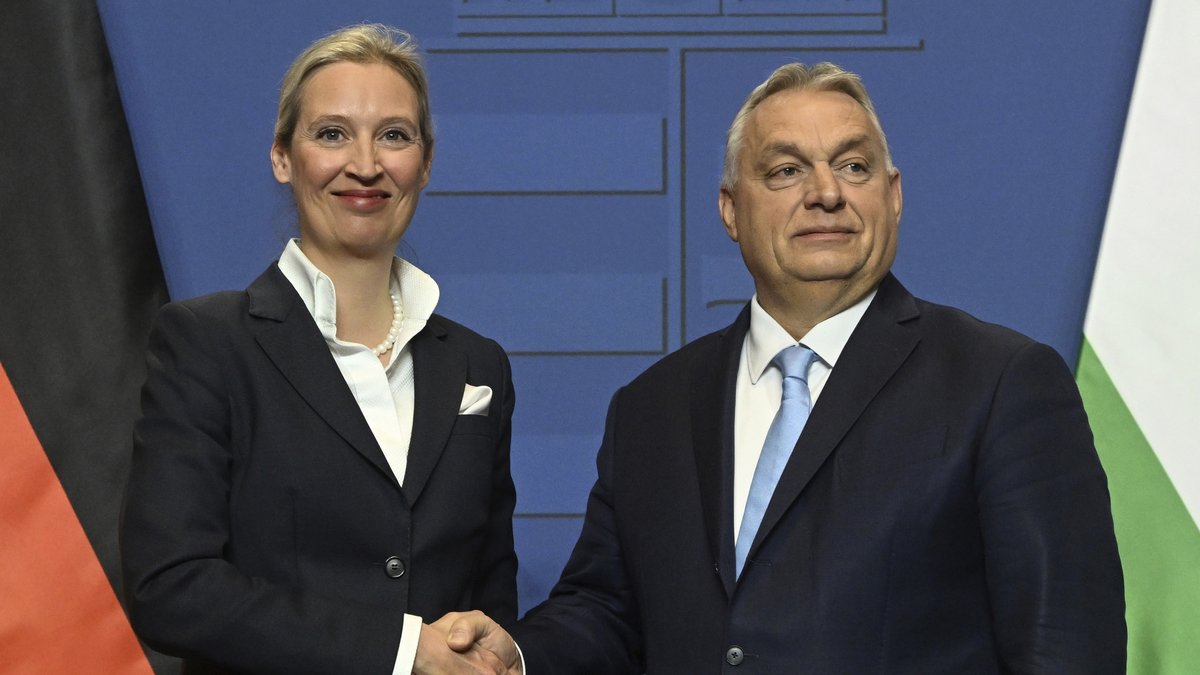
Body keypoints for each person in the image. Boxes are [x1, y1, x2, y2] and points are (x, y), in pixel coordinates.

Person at [443, 62, 1126, 673]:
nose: (826, 192)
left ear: (892, 195)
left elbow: (1064, 647)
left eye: (853, 166)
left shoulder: (1001, 382)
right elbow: (607, 613)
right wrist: (518, 656)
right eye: (786, 170)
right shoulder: (652, 407)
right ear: (731, 210)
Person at [120, 24, 517, 674]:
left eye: (394, 135)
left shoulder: (479, 365)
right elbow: (171, 587)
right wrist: (400, 650)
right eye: (332, 133)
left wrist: (500, 650)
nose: (365, 164)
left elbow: (490, 598)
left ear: (426, 162)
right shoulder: (208, 343)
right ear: (282, 157)